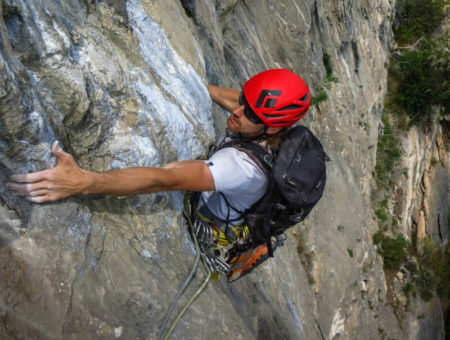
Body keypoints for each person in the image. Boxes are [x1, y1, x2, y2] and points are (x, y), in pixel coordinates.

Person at [7, 68, 311, 279]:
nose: (238, 111)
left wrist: (85, 181)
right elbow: (232, 100)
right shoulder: (263, 119)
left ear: (272, 127)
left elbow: (164, 178)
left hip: (213, 216)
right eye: (244, 100)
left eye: (250, 113)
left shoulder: (240, 169)